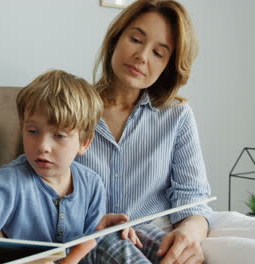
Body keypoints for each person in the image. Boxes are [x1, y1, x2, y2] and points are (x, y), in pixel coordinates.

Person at [74, 0, 255, 263]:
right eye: (136, 39)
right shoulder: (71, 111)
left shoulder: (177, 116)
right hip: (94, 242)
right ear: (116, 38)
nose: (142, 56)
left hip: (159, 236)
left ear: (168, 66)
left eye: (158, 53)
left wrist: (189, 233)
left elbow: (193, 199)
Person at [0, 69, 159, 263]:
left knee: (146, 234)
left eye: (59, 136)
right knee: (113, 243)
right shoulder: (10, 182)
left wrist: (103, 227)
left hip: (82, 258)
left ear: (84, 143)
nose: (43, 146)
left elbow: (90, 242)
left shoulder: (91, 184)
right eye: (32, 131)